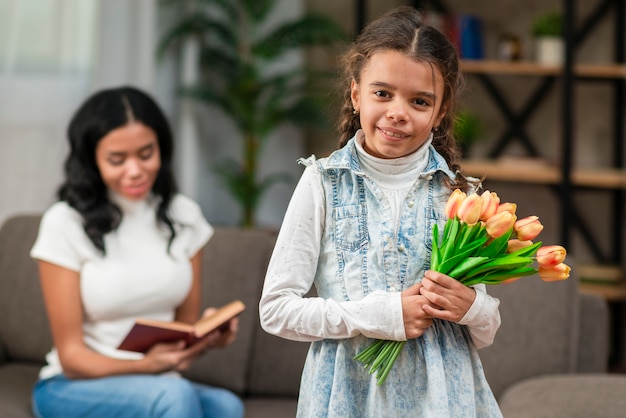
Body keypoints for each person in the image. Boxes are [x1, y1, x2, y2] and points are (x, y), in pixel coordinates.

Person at [259, 6, 502, 417]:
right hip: (344, 396)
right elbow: (277, 310)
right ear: (356, 94)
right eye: (382, 93)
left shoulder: (463, 196)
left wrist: (473, 309)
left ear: (440, 112)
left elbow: (484, 330)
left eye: (420, 101)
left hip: (444, 399)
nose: (397, 112)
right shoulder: (322, 183)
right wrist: (379, 315)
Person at [30, 86, 244, 418]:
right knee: (173, 395)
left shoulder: (182, 215)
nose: (135, 170)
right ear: (92, 161)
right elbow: (71, 358)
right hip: (71, 386)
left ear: (162, 149)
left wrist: (209, 337)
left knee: (227, 407)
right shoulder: (64, 223)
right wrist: (146, 366)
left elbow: (181, 335)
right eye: (117, 159)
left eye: (146, 154)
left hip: (157, 380)